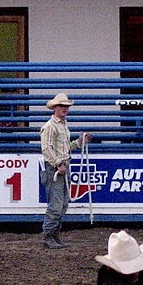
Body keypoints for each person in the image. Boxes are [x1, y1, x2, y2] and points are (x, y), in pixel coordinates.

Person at [40, 92, 90, 250]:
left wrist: (79, 142)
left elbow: (64, 147)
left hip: (61, 168)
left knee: (62, 205)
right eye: (61, 106)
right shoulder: (50, 126)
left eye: (66, 106)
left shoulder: (62, 125)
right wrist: (58, 164)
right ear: (55, 108)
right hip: (54, 169)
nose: (64, 109)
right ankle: (49, 236)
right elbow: (46, 149)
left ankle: (54, 236)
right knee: (55, 205)